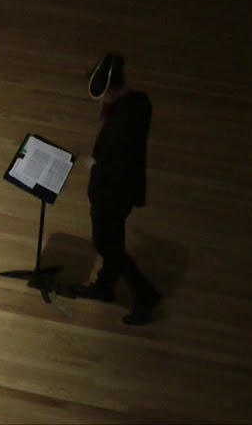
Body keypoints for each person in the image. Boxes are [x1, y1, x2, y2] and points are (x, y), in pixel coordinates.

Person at [62, 54, 162, 326]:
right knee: (113, 240)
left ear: (111, 90)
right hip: (127, 187)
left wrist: (95, 165)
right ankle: (105, 286)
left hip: (112, 193)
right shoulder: (139, 103)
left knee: (107, 244)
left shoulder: (122, 121)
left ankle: (145, 294)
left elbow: (115, 160)